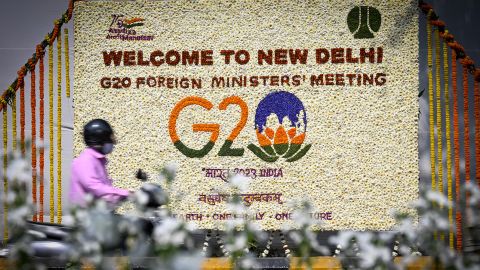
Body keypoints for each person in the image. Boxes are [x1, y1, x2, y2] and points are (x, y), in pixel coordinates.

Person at [69, 119, 130, 206]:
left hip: (99, 214)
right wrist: (127, 193)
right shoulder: (86, 160)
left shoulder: (98, 160)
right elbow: (95, 187)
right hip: (86, 217)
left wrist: (124, 197)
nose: (113, 142)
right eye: (110, 138)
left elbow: (106, 194)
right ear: (101, 139)